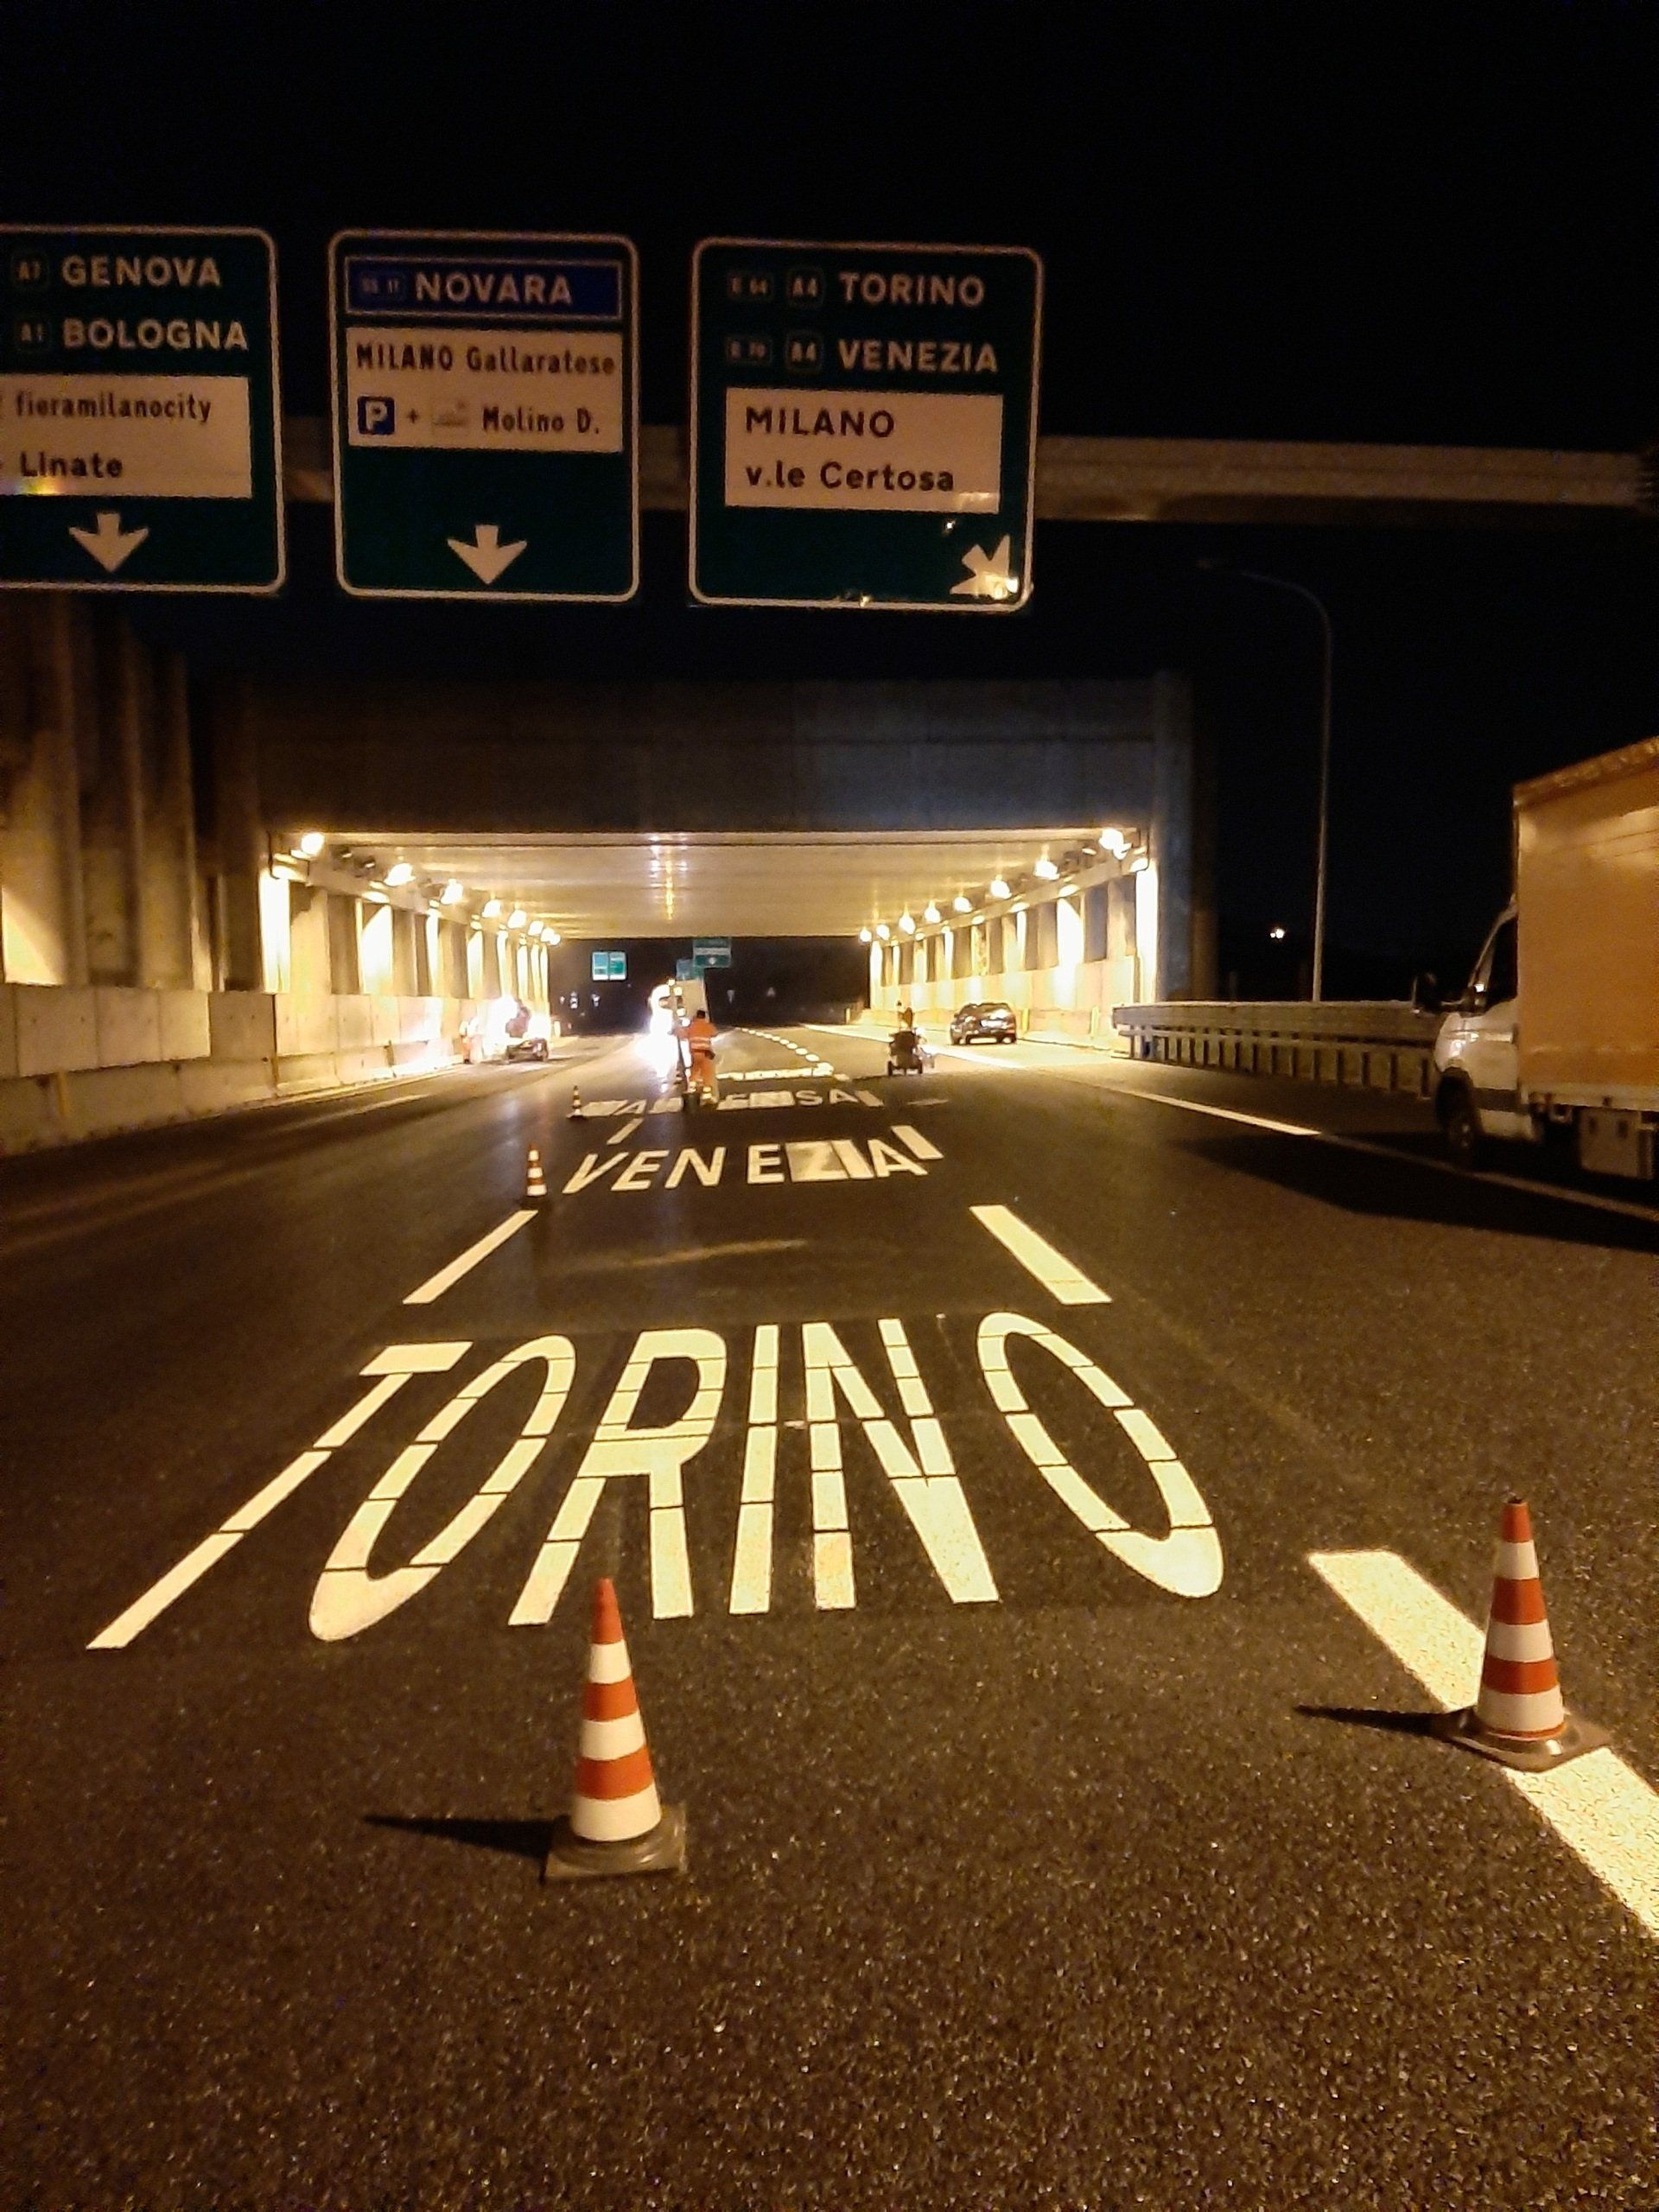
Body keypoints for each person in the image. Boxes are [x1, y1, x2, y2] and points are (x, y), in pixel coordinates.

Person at [684, 1007, 719, 1103]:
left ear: (696, 1016)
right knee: (707, 1074)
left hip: (695, 1053)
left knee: (694, 1072)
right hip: (705, 1054)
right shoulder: (707, 1026)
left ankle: (691, 1090)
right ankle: (707, 1096)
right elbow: (715, 1033)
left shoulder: (692, 1026)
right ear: (704, 1017)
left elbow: (682, 1034)